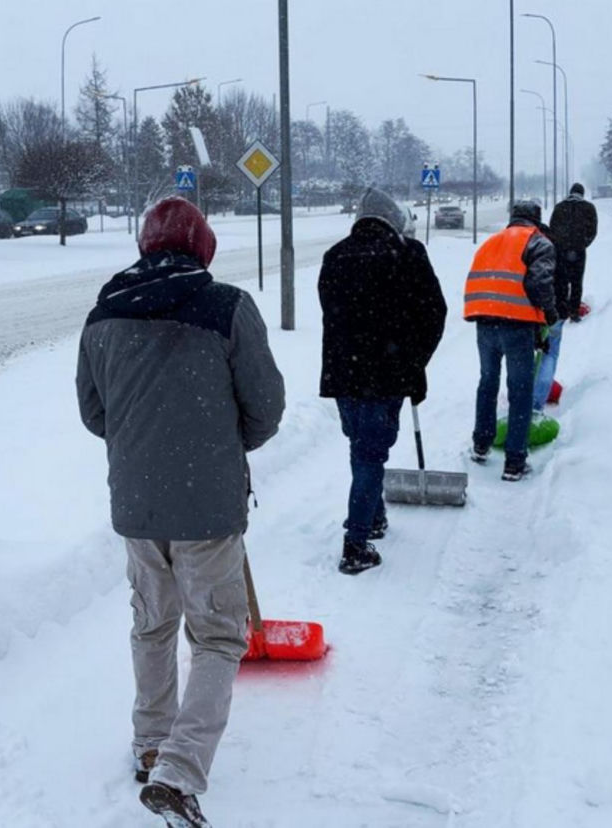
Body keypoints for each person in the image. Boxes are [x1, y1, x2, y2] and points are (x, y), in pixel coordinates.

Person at [76, 196, 285, 828]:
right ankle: (179, 767)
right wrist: (222, 443)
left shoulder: (103, 312)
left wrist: (144, 444)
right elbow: (266, 407)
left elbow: (93, 413)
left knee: (152, 624)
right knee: (219, 635)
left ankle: (149, 742)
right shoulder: (227, 307)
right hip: (207, 505)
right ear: (203, 248)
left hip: (137, 503)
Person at [318, 187, 446, 574]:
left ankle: (373, 516)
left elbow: (331, 312)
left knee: (361, 447)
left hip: (344, 374)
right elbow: (434, 314)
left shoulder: (335, 255)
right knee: (370, 454)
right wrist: (414, 362)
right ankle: (356, 545)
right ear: (392, 219)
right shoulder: (408, 254)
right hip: (386, 374)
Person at [465, 200, 557, 481]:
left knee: (487, 382)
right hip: (516, 326)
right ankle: (515, 461)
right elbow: (539, 283)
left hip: (484, 321)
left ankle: (481, 444)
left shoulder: (491, 242)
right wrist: (549, 314)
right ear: (536, 220)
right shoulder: (539, 243)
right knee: (520, 391)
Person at [549, 182, 598, 322]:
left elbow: (552, 229)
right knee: (577, 281)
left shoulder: (559, 207)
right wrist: (582, 244)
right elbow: (593, 231)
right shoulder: (589, 208)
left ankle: (561, 309)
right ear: (582, 194)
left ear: (570, 192)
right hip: (578, 251)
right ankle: (574, 311)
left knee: (561, 280)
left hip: (561, 251)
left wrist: (559, 245)